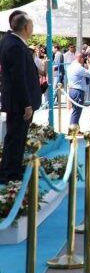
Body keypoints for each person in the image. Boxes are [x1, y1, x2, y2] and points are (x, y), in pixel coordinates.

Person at [0, 11, 42, 183]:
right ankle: (10, 173)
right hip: (19, 103)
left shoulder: (11, 42)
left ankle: (12, 168)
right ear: (25, 27)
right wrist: (26, 104)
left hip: (17, 101)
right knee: (15, 137)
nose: (32, 28)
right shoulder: (15, 45)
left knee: (16, 137)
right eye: (31, 25)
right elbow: (19, 77)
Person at [66, 52, 90, 126]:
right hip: (77, 91)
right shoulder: (78, 67)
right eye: (83, 58)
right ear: (81, 58)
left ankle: (76, 128)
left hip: (72, 90)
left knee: (76, 110)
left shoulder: (71, 66)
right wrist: (89, 65)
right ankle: (73, 129)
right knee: (77, 111)